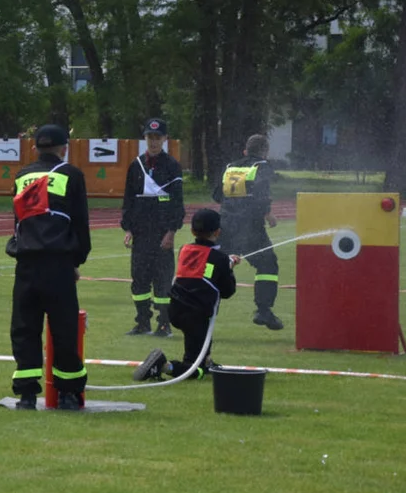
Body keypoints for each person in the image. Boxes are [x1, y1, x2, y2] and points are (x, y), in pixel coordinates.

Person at [6, 124, 91, 411]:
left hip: (26, 263)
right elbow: (80, 224)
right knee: (64, 330)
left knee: (25, 329)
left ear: (35, 148)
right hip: (58, 264)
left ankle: (27, 395)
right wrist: (76, 261)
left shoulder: (22, 176)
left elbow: (18, 223)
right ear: (64, 148)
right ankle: (67, 394)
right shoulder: (72, 175)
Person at [133, 209, 240, 382]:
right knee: (195, 369)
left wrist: (224, 262)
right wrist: (229, 268)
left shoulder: (185, 249)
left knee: (197, 344)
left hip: (176, 309)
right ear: (218, 232)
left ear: (192, 231)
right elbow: (227, 291)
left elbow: (204, 264)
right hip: (197, 313)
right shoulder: (219, 258)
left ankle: (206, 360)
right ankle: (164, 366)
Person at [120, 118, 184, 337]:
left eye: (158, 137)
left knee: (162, 280)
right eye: (150, 137)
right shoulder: (136, 165)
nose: (154, 142)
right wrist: (127, 228)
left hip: (161, 232)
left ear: (165, 139)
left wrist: (172, 230)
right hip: (141, 233)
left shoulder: (172, 166)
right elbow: (129, 199)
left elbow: (177, 201)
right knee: (139, 279)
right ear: (145, 138)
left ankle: (164, 324)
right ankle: (142, 322)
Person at [213, 134, 283, 330]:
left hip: (226, 225)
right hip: (251, 228)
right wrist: (268, 213)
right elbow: (261, 192)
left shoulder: (230, 167)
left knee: (219, 268)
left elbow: (217, 195)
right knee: (268, 264)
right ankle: (264, 310)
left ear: (246, 150)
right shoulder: (263, 166)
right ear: (265, 151)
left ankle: (206, 307)